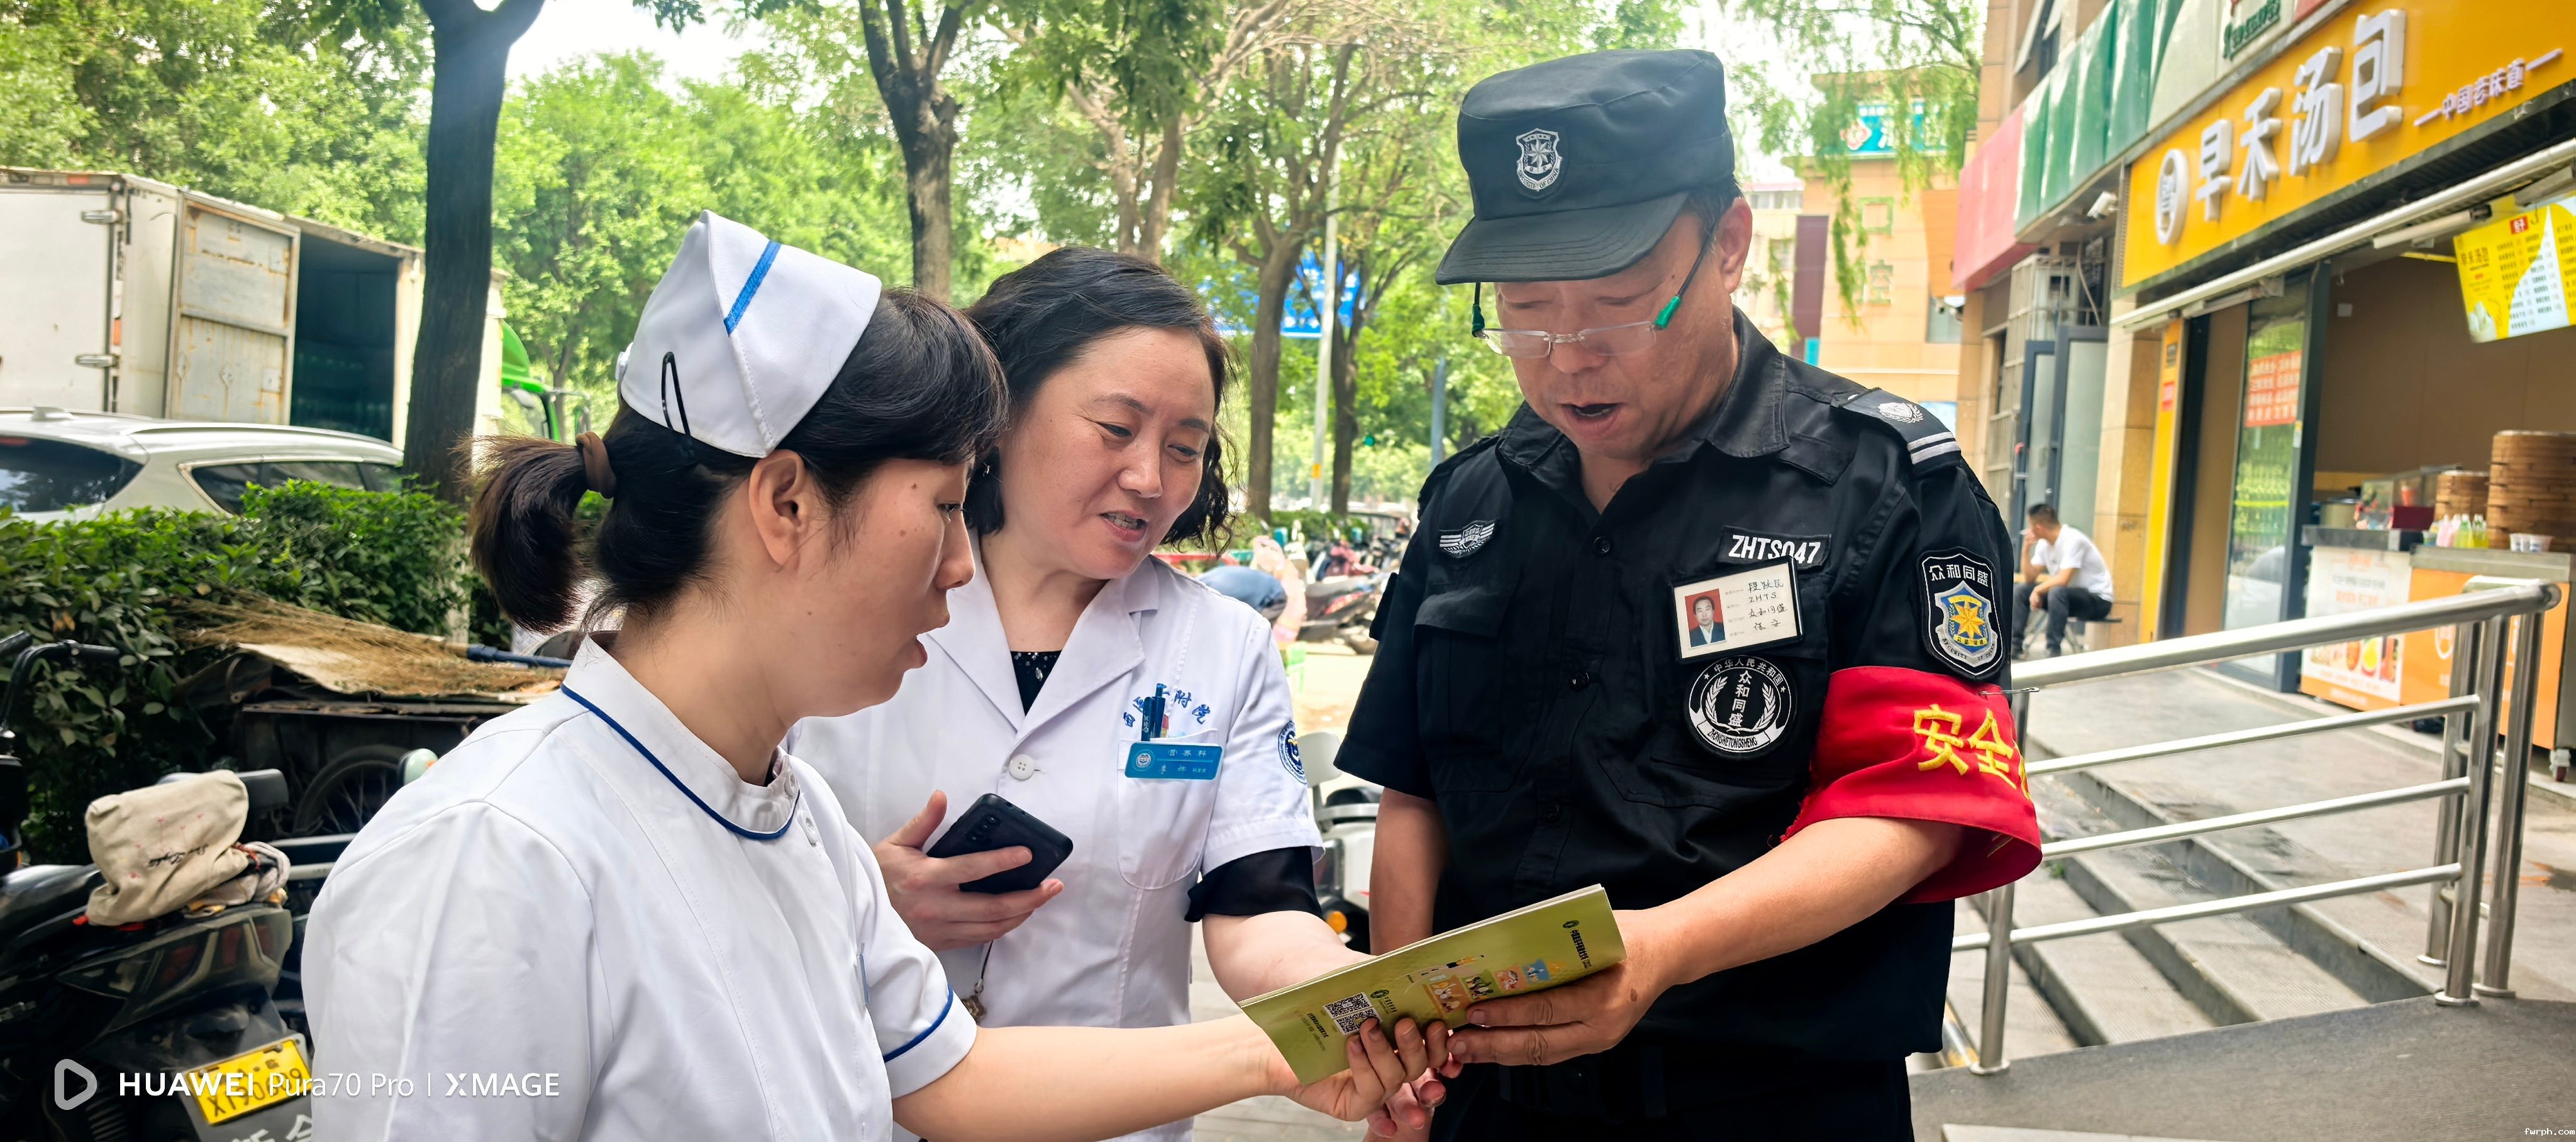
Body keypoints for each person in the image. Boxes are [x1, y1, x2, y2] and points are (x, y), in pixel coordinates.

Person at [303, 215, 1441, 1141]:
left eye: (1184, 445)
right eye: (944, 507)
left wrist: (1302, 1040)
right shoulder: (494, 857)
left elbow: (948, 1078)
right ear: (787, 502)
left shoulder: (795, 830)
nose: (960, 563)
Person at [1337, 50, 2042, 1139]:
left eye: (1618, 304)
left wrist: (1661, 951)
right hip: (1493, 1102)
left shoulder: (1883, 488)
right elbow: (1413, 789)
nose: (1567, 360)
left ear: (1725, 245)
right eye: (1524, 312)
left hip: (1764, 1098)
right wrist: (1402, 1040)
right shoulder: (1471, 498)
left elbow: (1915, 806)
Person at [784, 247, 1433, 1142]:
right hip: (860, 1111)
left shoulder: (1220, 648)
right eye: (1115, 429)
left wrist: (1353, 1009)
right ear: (1001, 413)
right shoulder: (850, 613)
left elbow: (1258, 909)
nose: (1151, 479)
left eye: (1184, 448)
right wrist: (862, 897)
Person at [2014, 502, 2116, 657]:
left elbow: (2063, 580)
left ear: (2039, 528)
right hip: (2067, 598)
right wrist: (2026, 549)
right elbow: (2029, 578)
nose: (2029, 531)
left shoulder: (2073, 540)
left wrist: (2038, 590)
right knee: (2021, 590)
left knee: (2057, 592)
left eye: (2031, 526)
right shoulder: (2044, 545)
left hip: (2098, 601)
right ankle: (2015, 647)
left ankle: (2053, 650)